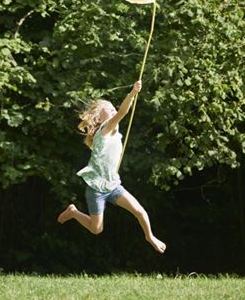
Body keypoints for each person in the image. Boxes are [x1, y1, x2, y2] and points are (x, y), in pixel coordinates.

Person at [57, 80, 166, 254]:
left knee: (139, 210)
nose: (113, 109)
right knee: (96, 229)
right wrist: (132, 94)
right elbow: (123, 112)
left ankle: (150, 236)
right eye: (108, 108)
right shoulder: (104, 130)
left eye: (113, 107)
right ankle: (74, 212)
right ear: (99, 118)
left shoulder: (114, 131)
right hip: (96, 189)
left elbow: (120, 115)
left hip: (113, 185)